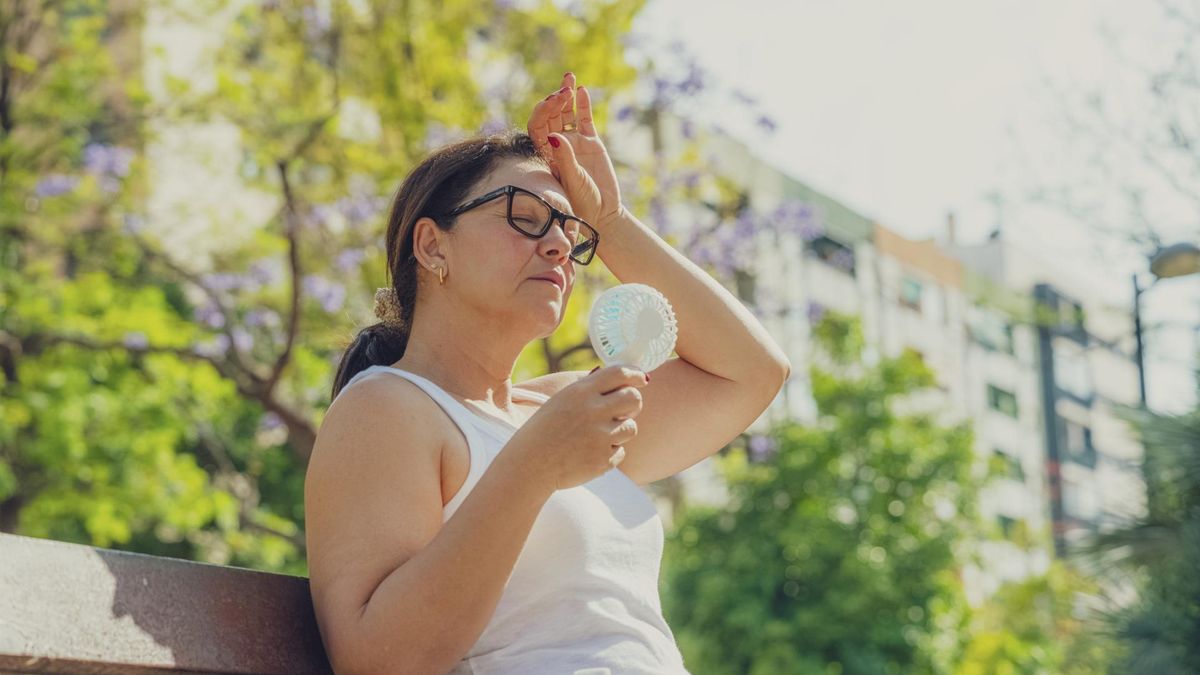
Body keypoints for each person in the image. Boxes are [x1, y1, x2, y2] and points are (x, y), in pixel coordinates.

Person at [304, 71, 791, 674]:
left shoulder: (567, 409)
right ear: (432, 247)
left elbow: (751, 372)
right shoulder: (385, 407)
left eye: (570, 227)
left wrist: (610, 218)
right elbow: (376, 661)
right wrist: (534, 466)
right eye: (525, 215)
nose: (561, 245)